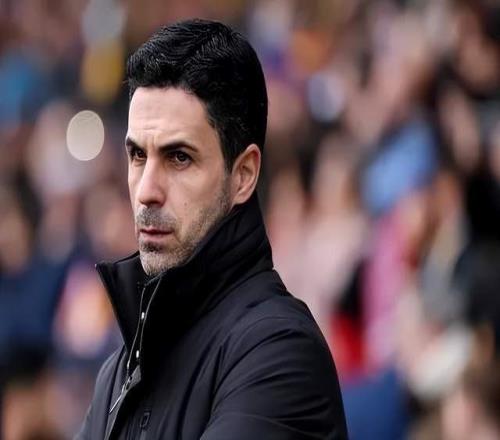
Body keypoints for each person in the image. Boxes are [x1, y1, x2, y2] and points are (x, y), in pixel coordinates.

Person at [76, 19, 347, 440]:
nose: (146, 191)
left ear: (244, 175)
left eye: (179, 158)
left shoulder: (280, 352)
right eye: (137, 156)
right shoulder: (118, 374)